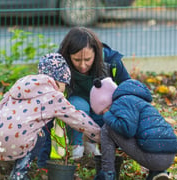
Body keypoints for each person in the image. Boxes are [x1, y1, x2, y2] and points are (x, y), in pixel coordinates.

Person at [0, 53, 100, 180]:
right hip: (17, 143)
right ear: (60, 80)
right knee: (40, 134)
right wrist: (100, 135)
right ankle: (19, 173)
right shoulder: (54, 96)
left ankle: (4, 165)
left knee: (11, 131)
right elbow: (79, 120)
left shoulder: (21, 85)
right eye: (65, 85)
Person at [55, 26, 131, 160]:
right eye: (77, 60)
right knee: (79, 105)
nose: (83, 65)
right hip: (76, 108)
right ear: (68, 55)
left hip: (103, 109)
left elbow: (129, 88)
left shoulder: (111, 61)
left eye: (88, 59)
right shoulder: (59, 64)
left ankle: (92, 143)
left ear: (96, 53)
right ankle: (76, 147)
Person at [90, 77, 177, 180]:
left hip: (154, 157)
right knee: (148, 135)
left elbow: (127, 130)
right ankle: (158, 174)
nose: (104, 113)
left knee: (107, 128)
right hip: (169, 156)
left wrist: (107, 116)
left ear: (106, 102)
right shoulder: (139, 102)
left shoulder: (122, 102)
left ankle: (107, 173)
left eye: (103, 111)